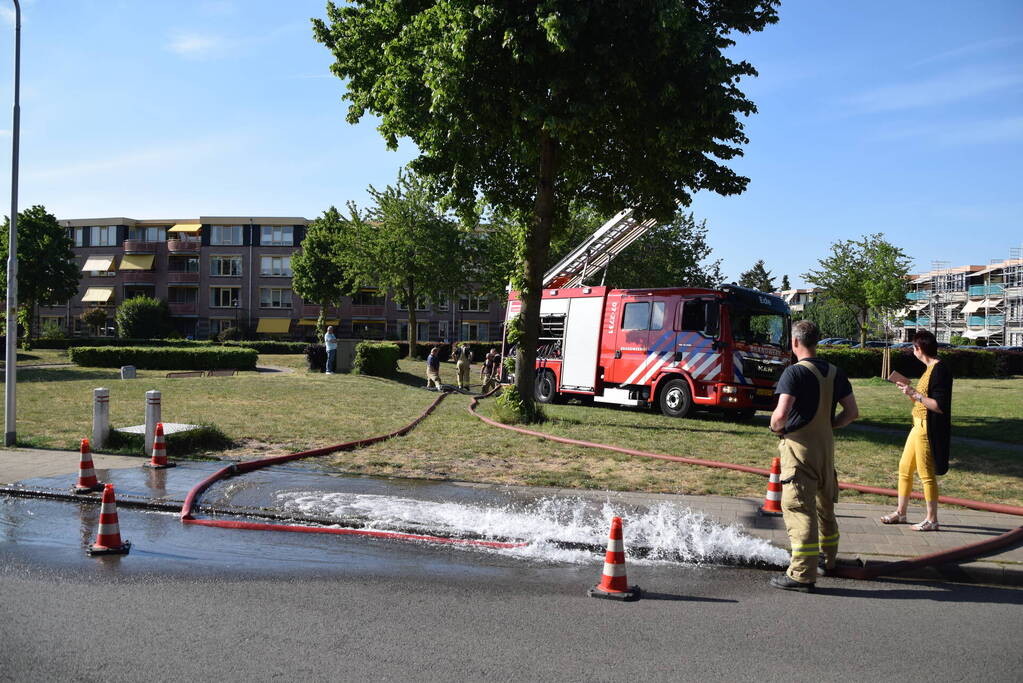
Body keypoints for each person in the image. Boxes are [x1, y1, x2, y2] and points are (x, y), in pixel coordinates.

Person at [769, 320, 859, 592]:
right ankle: (828, 561)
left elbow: (781, 416)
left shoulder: (793, 373)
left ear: (795, 342)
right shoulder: (835, 372)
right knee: (825, 509)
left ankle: (802, 574)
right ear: (816, 341)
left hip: (799, 453)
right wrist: (829, 425)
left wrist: (775, 426)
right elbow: (852, 413)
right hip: (825, 452)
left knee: (799, 510)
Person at [881, 330, 952, 531]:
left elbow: (938, 405)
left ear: (919, 349)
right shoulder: (929, 368)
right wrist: (910, 393)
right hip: (917, 425)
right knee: (905, 468)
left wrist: (914, 392)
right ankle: (901, 513)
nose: (913, 351)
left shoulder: (939, 370)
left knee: (925, 474)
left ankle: (932, 519)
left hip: (926, 428)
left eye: (913, 347)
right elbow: (923, 400)